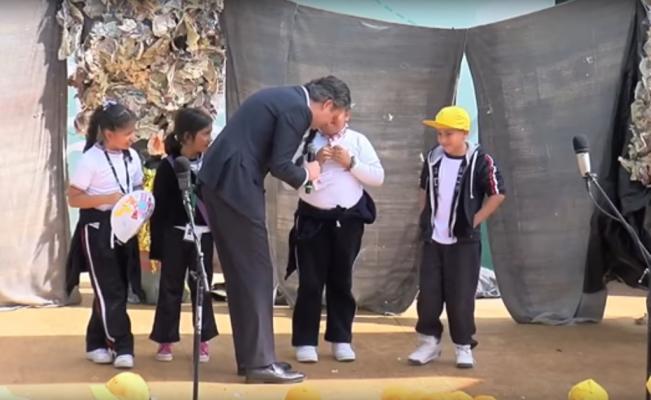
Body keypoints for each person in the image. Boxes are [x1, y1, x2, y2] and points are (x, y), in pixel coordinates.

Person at [198, 75, 351, 383]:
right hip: (235, 182)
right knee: (256, 272)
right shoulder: (298, 109)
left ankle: (254, 359)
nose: (328, 126)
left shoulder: (285, 98)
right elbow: (281, 164)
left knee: (243, 273)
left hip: (225, 180)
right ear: (327, 104)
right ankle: (260, 363)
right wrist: (308, 174)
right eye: (332, 118)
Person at [407, 106, 506, 369]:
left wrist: (474, 220)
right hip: (433, 241)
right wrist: (426, 217)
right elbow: (424, 188)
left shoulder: (481, 161)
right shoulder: (433, 158)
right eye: (439, 134)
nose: (442, 140)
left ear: (464, 133)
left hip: (463, 243)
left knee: (461, 297)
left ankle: (463, 346)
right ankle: (428, 343)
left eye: (448, 134)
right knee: (428, 296)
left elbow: (498, 193)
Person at [287, 109, 384, 363]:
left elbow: (378, 177)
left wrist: (351, 163)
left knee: (341, 281)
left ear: (347, 115)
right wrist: (315, 162)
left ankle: (341, 339)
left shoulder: (358, 141)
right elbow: (293, 181)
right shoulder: (307, 142)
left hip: (347, 222)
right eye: (326, 116)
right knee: (310, 282)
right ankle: (306, 341)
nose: (330, 122)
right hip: (312, 221)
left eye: (336, 116)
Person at [66, 101, 144, 369]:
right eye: (127, 133)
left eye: (133, 132)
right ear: (109, 134)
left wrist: (140, 204)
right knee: (109, 289)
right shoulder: (91, 159)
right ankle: (121, 345)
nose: (132, 137)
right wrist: (106, 198)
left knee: (115, 288)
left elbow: (137, 186)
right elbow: (73, 198)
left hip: (125, 228)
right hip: (98, 230)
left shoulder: (132, 157)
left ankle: (95, 342)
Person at [149, 107, 218, 363]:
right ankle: (165, 339)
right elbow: (159, 210)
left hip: (204, 235)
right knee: (170, 288)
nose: (209, 138)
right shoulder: (168, 166)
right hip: (175, 236)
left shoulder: (211, 163)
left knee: (202, 287)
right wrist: (157, 248)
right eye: (205, 133)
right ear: (187, 137)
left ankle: (203, 339)